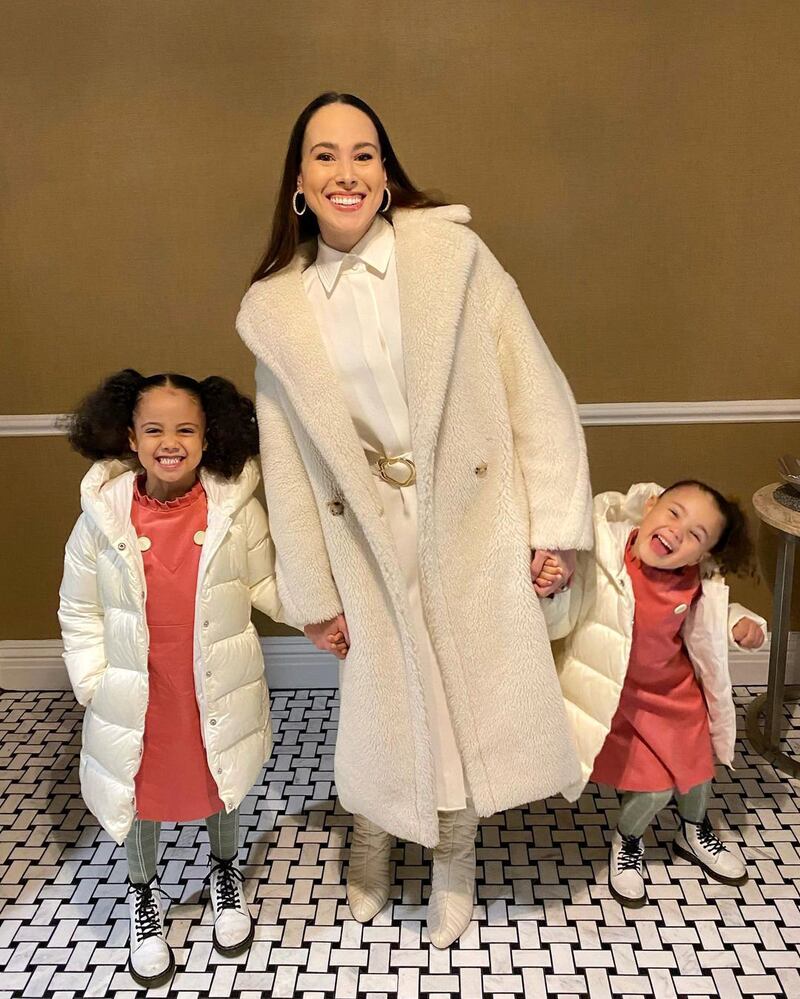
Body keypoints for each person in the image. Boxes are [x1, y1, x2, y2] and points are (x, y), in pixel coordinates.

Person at [236, 91, 592, 947]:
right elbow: (285, 459)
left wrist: (553, 528)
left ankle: (456, 854)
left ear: (387, 174)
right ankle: (372, 829)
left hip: (469, 519)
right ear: (298, 182)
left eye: (364, 153)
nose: (346, 171)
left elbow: (535, 391)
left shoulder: (455, 258)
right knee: (380, 693)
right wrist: (312, 590)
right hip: (362, 527)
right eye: (325, 155)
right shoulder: (276, 309)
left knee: (454, 685)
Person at [58, 369, 286, 987]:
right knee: (143, 788)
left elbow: (268, 585)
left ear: (208, 437)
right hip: (140, 688)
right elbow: (79, 608)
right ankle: (143, 892)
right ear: (130, 439)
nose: (170, 440)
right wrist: (94, 682)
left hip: (212, 681)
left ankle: (223, 870)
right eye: (154, 428)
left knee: (222, 773)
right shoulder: (102, 520)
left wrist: (326, 617)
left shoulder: (235, 511)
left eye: (186, 428)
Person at [540, 480, 766, 908]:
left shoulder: (695, 580)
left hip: (676, 696)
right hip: (622, 698)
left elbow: (713, 616)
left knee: (697, 771)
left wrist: (741, 624)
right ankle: (628, 841)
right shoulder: (605, 560)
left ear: (702, 556)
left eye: (696, 535)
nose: (678, 531)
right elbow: (560, 624)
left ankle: (693, 830)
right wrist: (552, 592)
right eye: (674, 513)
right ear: (649, 508)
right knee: (654, 789)